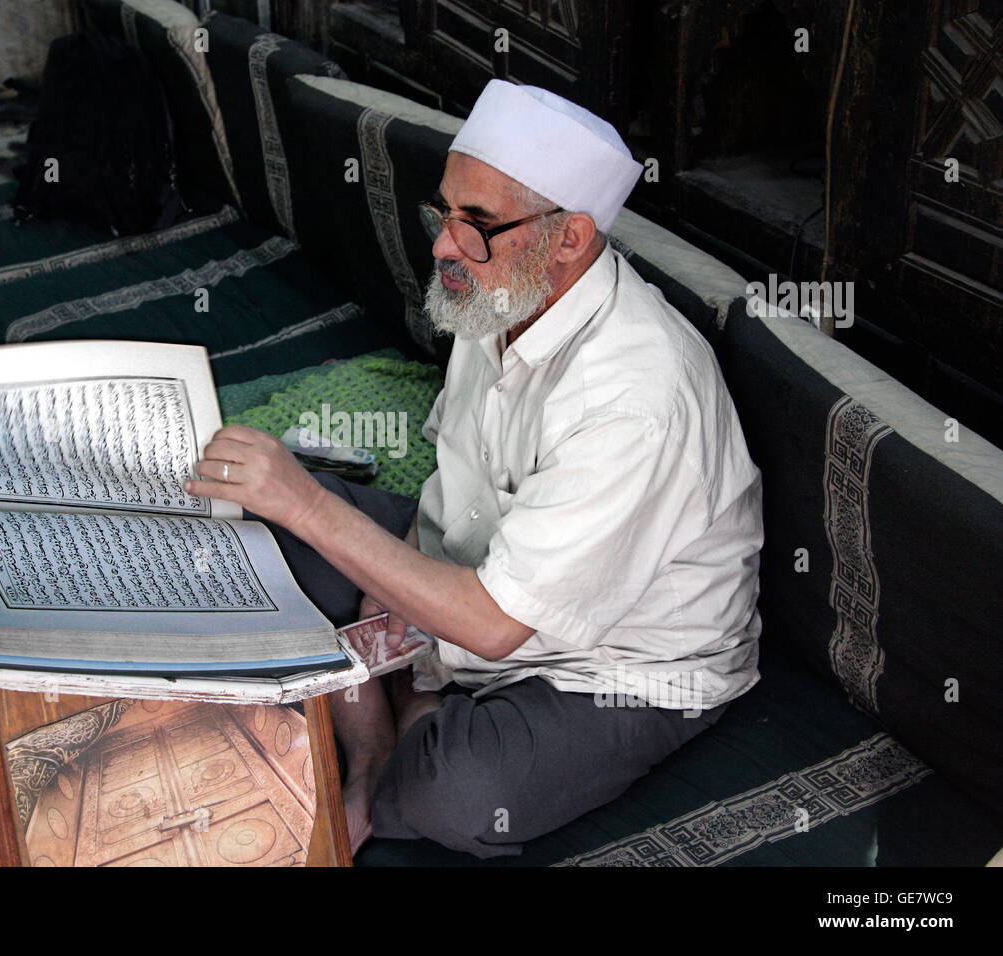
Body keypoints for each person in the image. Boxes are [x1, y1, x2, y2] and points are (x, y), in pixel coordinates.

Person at [184, 79, 764, 859]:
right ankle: (376, 746)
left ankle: (386, 720)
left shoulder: (636, 395)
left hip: (611, 661)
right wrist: (383, 570)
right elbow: (452, 502)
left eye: (478, 224)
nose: (443, 246)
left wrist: (323, 519)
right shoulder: (496, 291)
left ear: (570, 238)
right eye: (444, 213)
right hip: (475, 570)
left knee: (461, 793)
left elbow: (494, 625)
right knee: (250, 517)